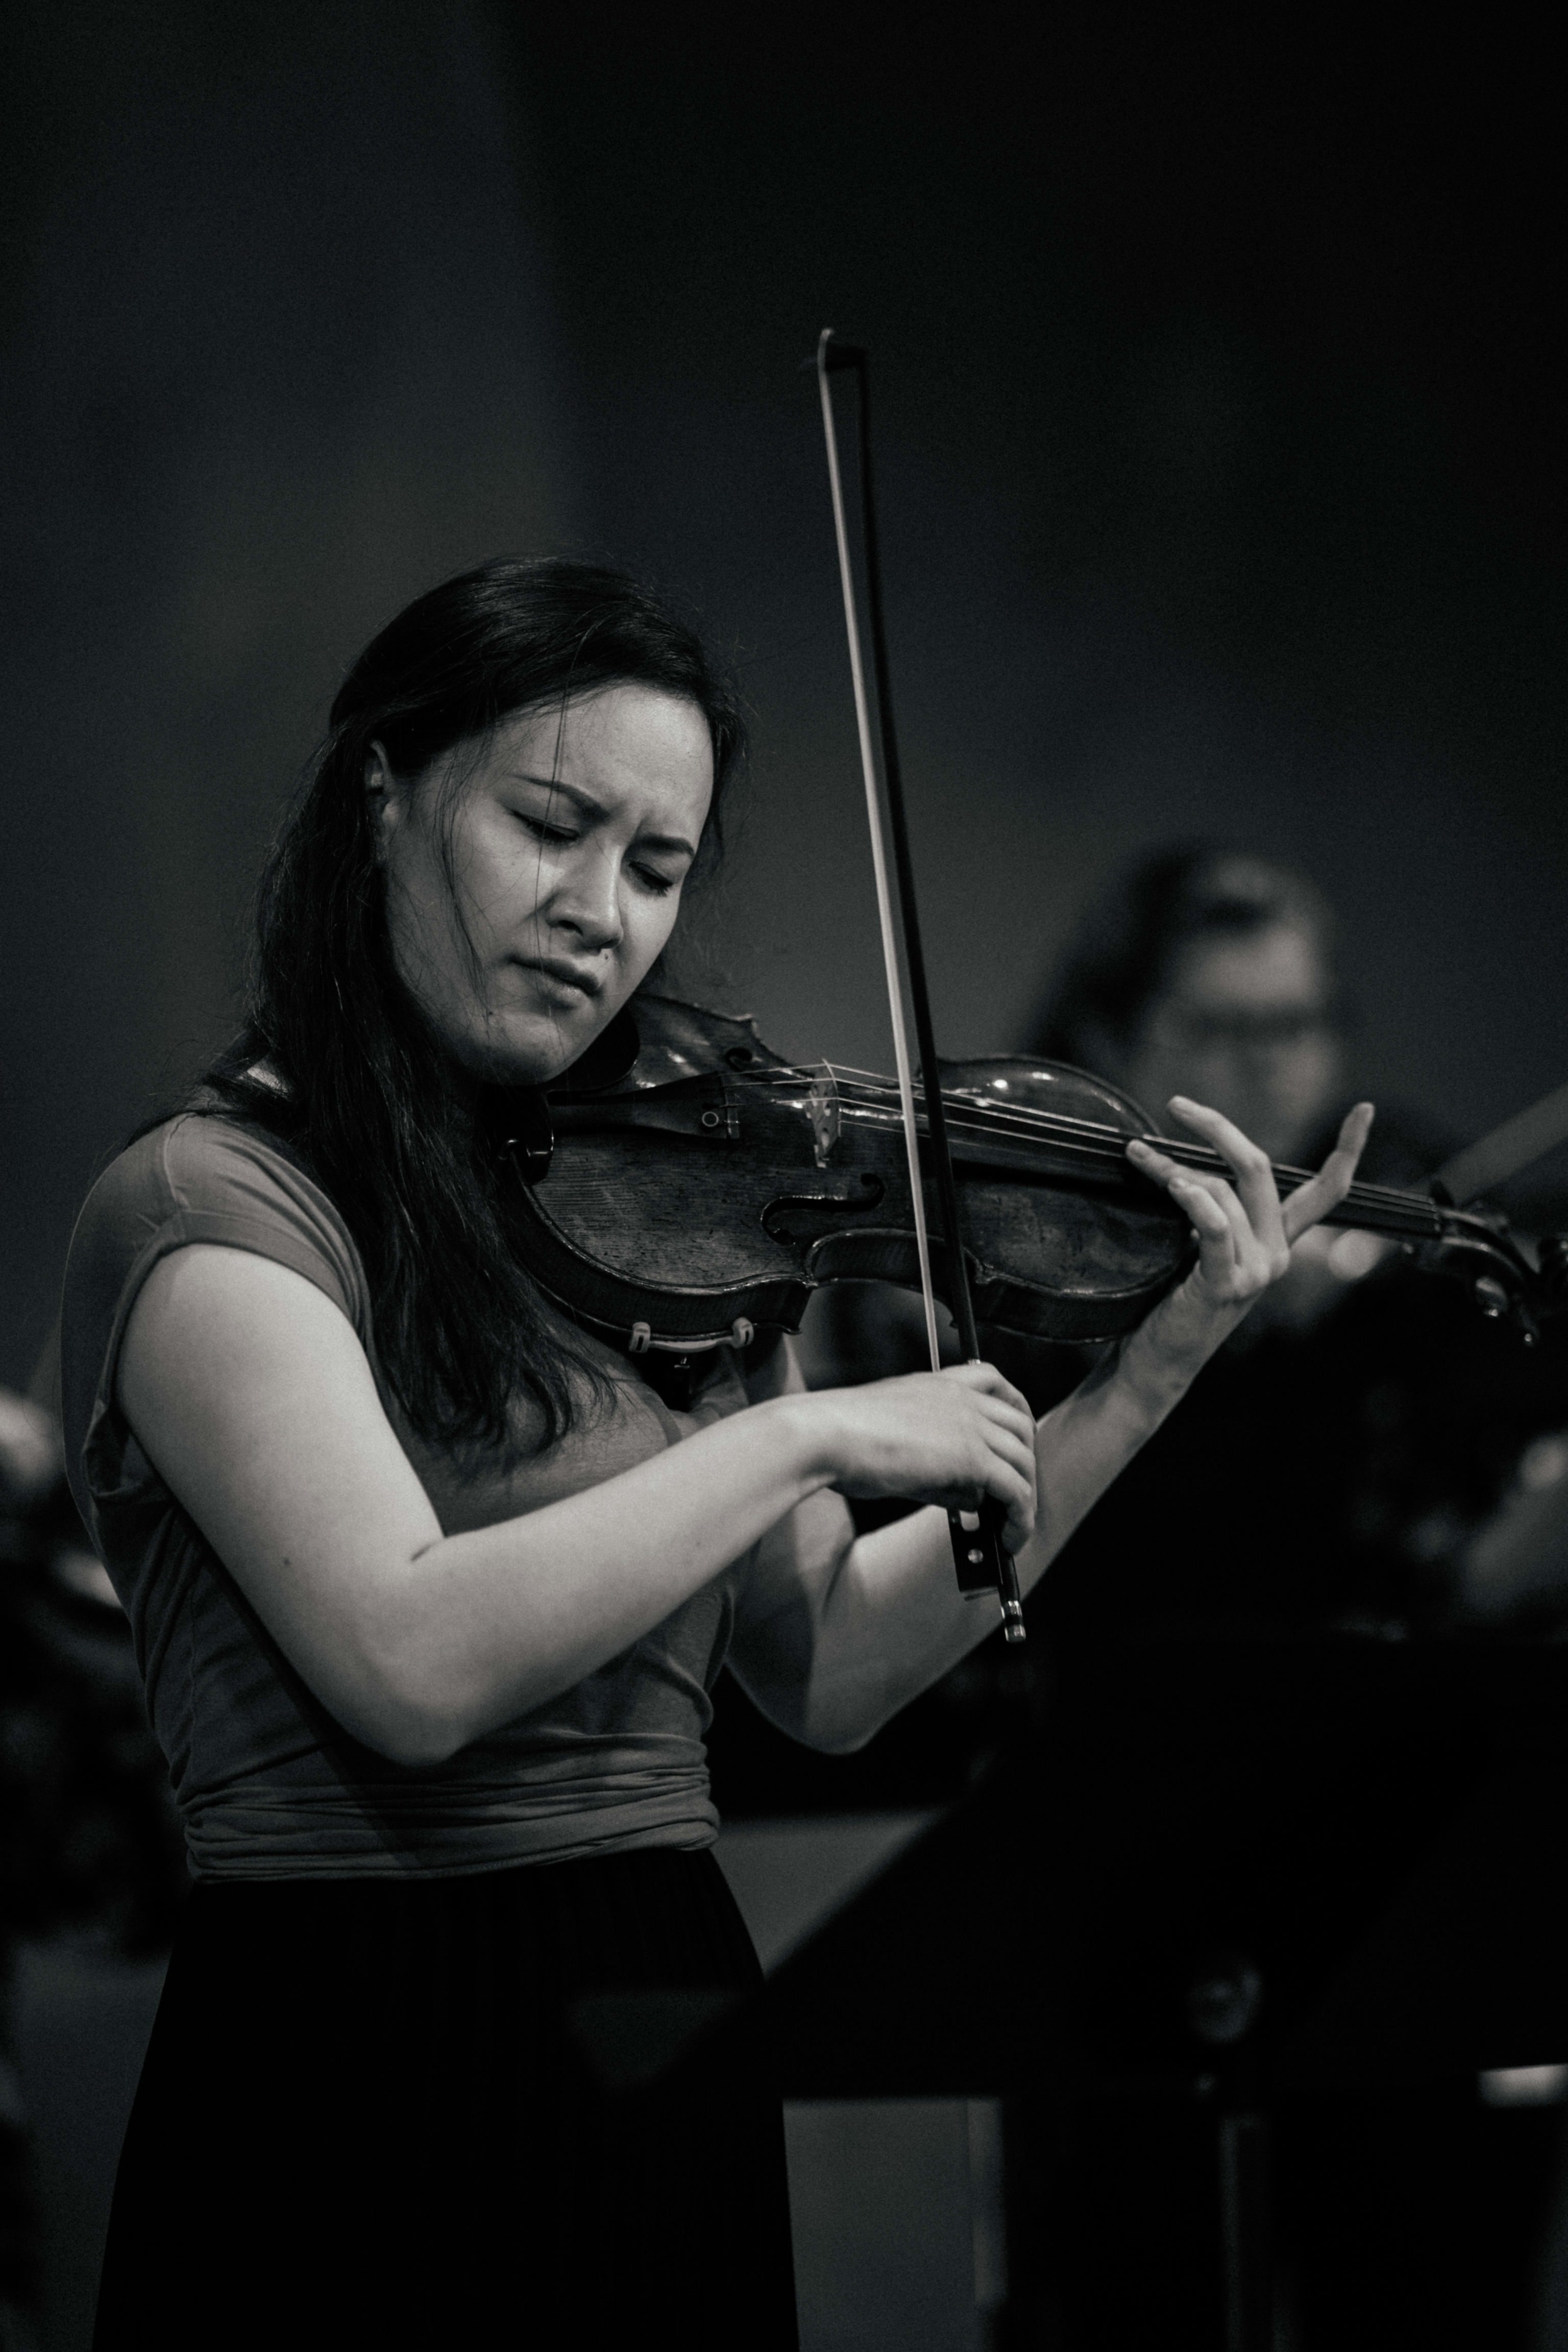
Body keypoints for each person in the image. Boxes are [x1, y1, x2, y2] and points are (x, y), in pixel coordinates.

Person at [57, 561, 1369, 2350]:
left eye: (657, 869)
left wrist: (1144, 1379)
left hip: (658, 2009)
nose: (599, 913)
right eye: (550, 825)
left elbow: (824, 1669)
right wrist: (814, 1430)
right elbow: (411, 1660)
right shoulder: (212, 1213)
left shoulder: (675, 1226)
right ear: (385, 792)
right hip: (357, 2034)